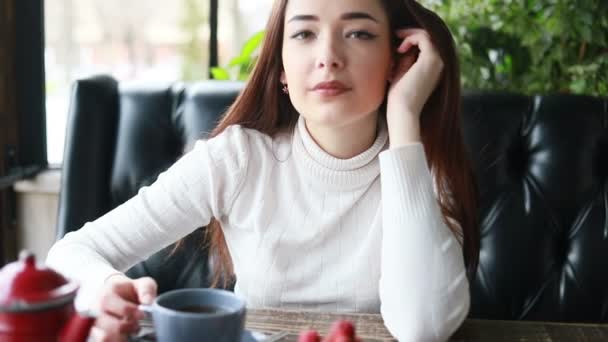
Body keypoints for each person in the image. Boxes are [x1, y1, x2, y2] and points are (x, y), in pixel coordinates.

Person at [46, 0, 480, 341]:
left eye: (359, 33)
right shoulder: (237, 160)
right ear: (282, 70)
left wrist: (404, 115)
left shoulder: (418, 169)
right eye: (305, 33)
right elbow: (69, 254)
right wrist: (103, 286)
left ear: (394, 61)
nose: (328, 56)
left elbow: (424, 326)